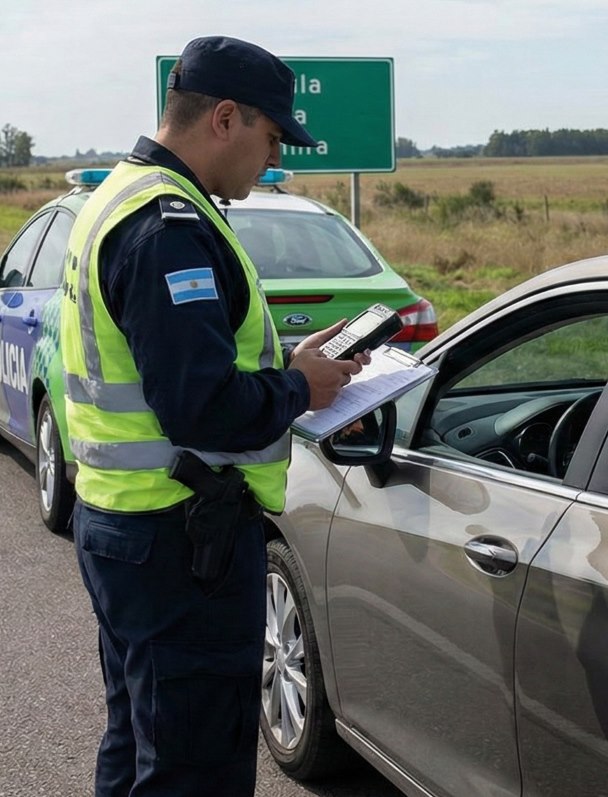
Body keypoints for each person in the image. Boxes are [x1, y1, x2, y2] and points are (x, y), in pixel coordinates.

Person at [60, 36, 365, 797]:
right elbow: (201, 407)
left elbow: (177, 364)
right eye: (272, 137)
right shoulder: (169, 229)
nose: (275, 159)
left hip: (126, 526)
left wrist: (292, 364)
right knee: (192, 768)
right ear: (225, 119)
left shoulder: (123, 195)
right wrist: (300, 390)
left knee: (140, 741)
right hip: (179, 543)